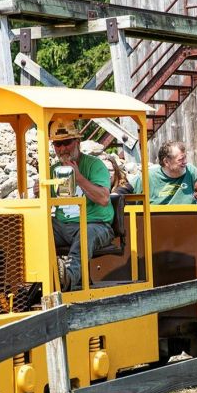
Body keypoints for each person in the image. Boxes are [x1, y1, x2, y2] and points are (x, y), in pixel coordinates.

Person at [48, 119, 115, 291]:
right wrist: (39, 192)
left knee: (87, 233)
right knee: (38, 229)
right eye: (58, 144)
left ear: (77, 142)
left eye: (67, 143)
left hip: (96, 224)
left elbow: (103, 199)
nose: (62, 149)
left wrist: (78, 178)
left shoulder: (94, 165)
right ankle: (34, 279)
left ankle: (68, 278)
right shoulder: (53, 170)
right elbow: (45, 205)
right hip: (63, 226)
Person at [132, 140, 197, 204]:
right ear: (166, 162)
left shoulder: (191, 171)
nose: (185, 162)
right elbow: (129, 196)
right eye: (181, 159)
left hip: (189, 213)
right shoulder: (148, 177)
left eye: (185, 157)